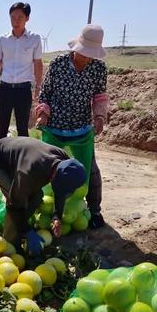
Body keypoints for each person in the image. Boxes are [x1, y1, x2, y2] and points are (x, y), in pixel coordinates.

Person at [34, 24, 109, 229]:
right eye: (85, 53)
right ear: (76, 48)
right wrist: (43, 114)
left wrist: (100, 117)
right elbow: (45, 94)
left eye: (91, 54)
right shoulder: (58, 64)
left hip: (82, 128)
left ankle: (94, 210)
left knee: (89, 171)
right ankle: (45, 208)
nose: (88, 58)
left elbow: (99, 96)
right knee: (49, 170)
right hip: (55, 128)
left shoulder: (98, 68)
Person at [0, 137, 86, 256]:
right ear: (54, 177)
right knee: (18, 201)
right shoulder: (28, 174)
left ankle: (21, 228)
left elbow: (61, 191)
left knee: (36, 196)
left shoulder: (65, 162)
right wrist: (28, 233)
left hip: (18, 155)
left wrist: (57, 215)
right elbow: (14, 206)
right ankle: (9, 246)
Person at [0, 2, 43, 140]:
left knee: (22, 130)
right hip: (5, 88)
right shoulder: (3, 39)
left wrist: (38, 86)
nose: (15, 21)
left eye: (20, 17)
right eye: (12, 17)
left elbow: (38, 63)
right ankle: (0, 160)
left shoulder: (34, 39)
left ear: (27, 18)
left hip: (23, 90)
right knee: (1, 129)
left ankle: (21, 160)